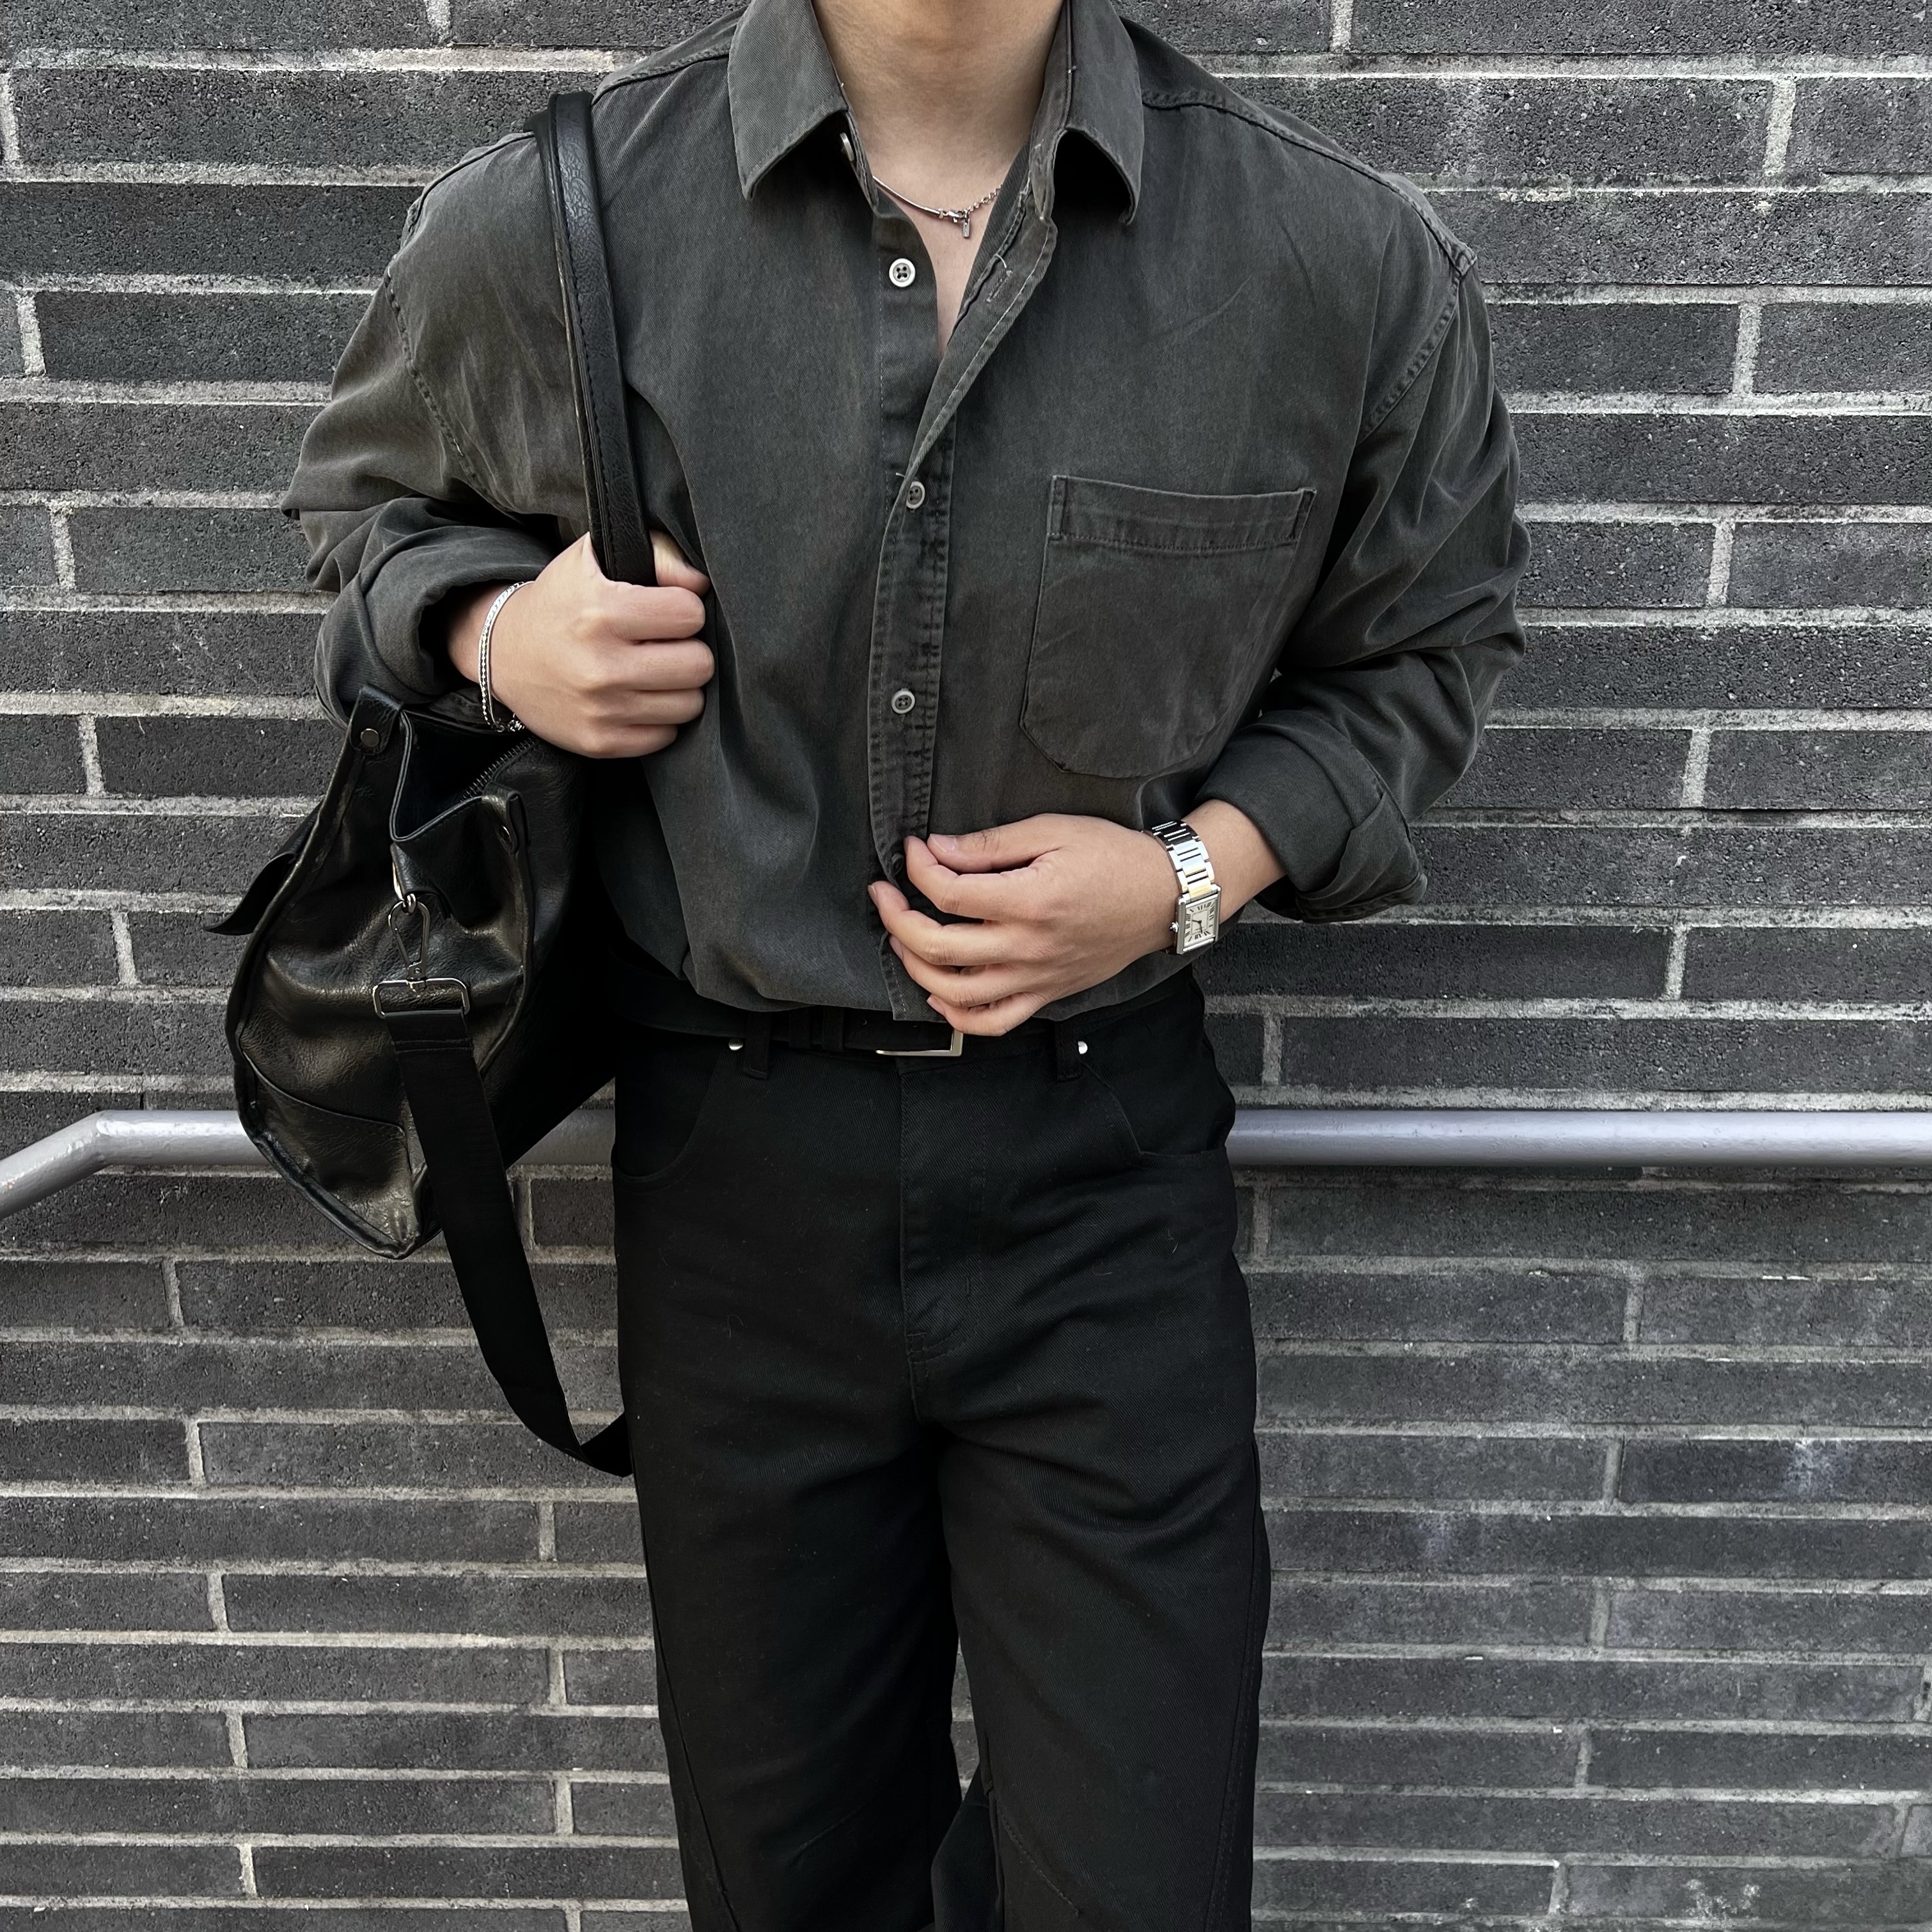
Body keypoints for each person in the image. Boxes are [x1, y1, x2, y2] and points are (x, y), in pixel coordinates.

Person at [283, 0, 1528, 1920]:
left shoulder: (1330, 260)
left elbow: (1426, 646)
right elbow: (359, 526)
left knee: (1139, 1883)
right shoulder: (557, 215)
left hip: (1103, 1179)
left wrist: (1188, 877)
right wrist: (494, 632)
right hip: (732, 1166)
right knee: (791, 1876)